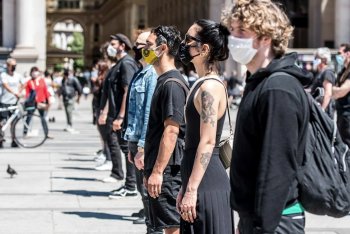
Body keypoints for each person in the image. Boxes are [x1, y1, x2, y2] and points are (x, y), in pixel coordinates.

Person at [222, 0, 313, 233]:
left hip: (275, 221)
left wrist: (261, 226)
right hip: (256, 217)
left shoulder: (277, 89)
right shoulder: (260, 83)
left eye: (241, 31)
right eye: (232, 30)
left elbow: (277, 165)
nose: (233, 37)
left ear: (265, 37)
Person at [176, 19, 234, 234]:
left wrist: (191, 189)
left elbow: (208, 141)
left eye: (189, 40)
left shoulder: (210, 86)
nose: (184, 44)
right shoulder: (201, 83)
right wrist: (186, 187)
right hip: (197, 177)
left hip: (207, 181)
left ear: (204, 48)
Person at [142, 25, 187, 234]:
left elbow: (171, 131)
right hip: (161, 167)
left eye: (149, 45)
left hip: (169, 170)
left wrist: (158, 172)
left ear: (163, 48)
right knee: (164, 224)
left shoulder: (171, 84)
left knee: (172, 227)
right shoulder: (164, 81)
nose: (145, 49)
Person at [123, 31, 161, 233]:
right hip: (134, 138)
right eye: (138, 45)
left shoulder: (152, 75)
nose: (139, 48)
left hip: (142, 142)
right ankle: (149, 223)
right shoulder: (140, 72)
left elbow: (148, 112)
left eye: (144, 44)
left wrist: (142, 146)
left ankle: (153, 229)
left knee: (148, 192)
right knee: (142, 189)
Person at [99, 33, 139, 197]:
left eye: (113, 44)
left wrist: (121, 117)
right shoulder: (119, 63)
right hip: (115, 114)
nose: (111, 46)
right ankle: (129, 183)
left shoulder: (126, 64)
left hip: (122, 116)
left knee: (127, 149)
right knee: (124, 149)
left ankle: (131, 185)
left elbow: (127, 91)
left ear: (122, 45)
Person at [0, 58, 24, 148]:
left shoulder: (18, 75)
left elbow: (23, 83)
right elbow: (5, 85)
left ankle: (14, 140)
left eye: (15, 65)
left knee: (13, 123)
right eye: (12, 65)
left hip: (14, 102)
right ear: (7, 66)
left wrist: (20, 91)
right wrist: (15, 93)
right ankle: (1, 139)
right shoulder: (3, 75)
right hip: (4, 101)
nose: (14, 67)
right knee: (2, 122)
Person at [310, 47, 336, 118]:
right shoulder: (320, 73)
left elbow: (328, 93)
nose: (314, 59)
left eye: (316, 57)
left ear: (323, 59)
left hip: (324, 112)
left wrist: (322, 110)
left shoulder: (327, 73)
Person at [24, 67, 50, 137]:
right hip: (31, 103)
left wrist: (48, 101)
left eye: (36, 71)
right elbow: (27, 93)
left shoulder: (42, 80)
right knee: (29, 117)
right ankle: (25, 132)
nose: (35, 73)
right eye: (33, 71)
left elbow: (45, 90)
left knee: (43, 117)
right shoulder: (29, 82)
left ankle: (46, 133)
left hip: (40, 102)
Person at [333, 43, 350, 148]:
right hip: (341, 113)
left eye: (340, 53)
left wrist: (333, 90)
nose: (338, 56)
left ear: (348, 53)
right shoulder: (343, 71)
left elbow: (342, 91)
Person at [60, 69, 82, 133]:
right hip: (65, 97)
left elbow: (79, 88)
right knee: (67, 111)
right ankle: (68, 124)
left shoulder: (73, 79)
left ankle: (70, 124)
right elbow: (62, 88)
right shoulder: (63, 79)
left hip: (71, 97)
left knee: (69, 111)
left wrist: (78, 98)